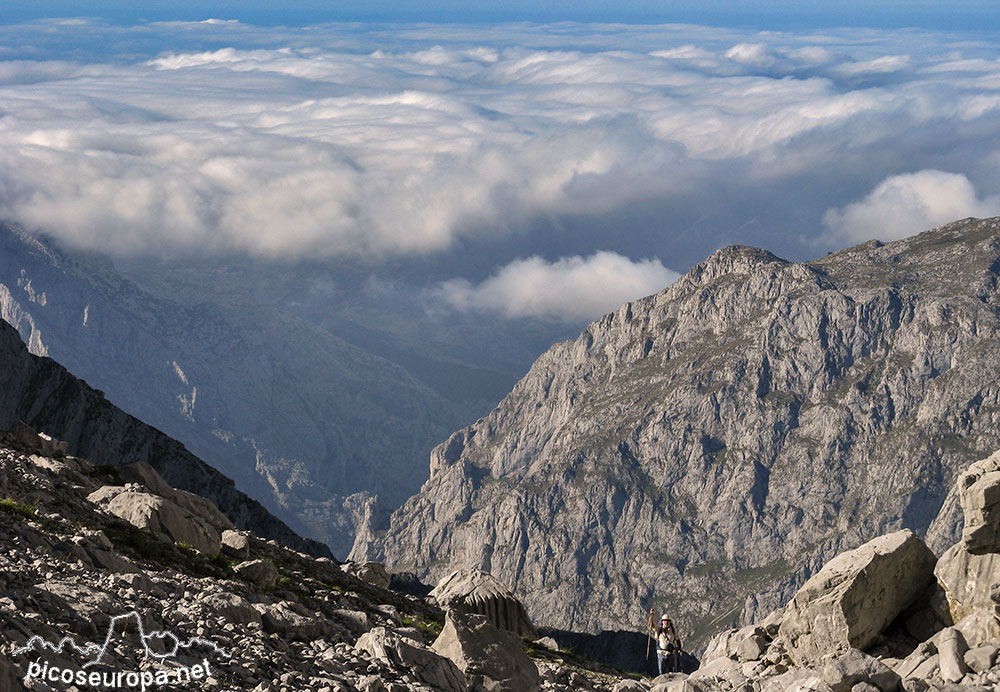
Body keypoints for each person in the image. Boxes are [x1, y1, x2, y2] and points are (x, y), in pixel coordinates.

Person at [648, 609, 682, 674]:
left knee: (672, 671)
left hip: (671, 653)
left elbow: (678, 640)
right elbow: (651, 624)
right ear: (662, 622)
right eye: (664, 621)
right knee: (662, 671)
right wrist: (651, 615)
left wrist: (680, 649)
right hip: (661, 653)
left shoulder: (673, 631)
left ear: (669, 622)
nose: (666, 622)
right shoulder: (659, 629)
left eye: (667, 621)